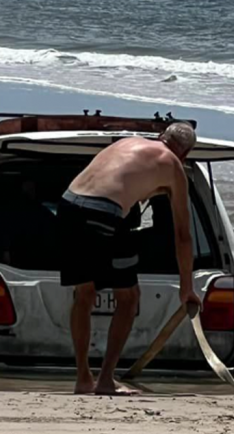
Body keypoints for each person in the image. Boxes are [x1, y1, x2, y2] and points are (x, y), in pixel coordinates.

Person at [56, 122, 203, 395]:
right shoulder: (173, 166)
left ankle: (82, 378)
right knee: (128, 297)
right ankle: (106, 380)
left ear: (161, 136)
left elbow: (120, 180)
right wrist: (187, 288)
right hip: (103, 212)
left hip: (67, 205)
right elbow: (183, 236)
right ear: (185, 155)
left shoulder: (127, 142)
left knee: (84, 293)